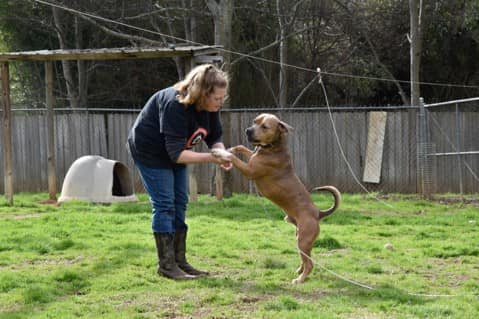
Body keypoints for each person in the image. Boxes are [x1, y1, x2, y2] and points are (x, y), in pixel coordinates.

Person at [127, 64, 232, 280]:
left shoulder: (209, 108)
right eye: (217, 98)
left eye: (224, 98)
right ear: (202, 93)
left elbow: (214, 137)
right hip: (150, 152)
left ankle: (180, 261)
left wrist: (221, 153)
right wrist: (213, 158)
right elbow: (176, 155)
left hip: (173, 152)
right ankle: (166, 266)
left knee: (180, 202)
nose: (221, 102)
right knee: (165, 204)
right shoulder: (175, 105)